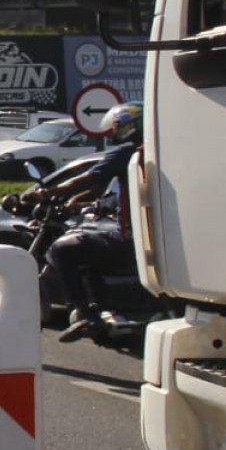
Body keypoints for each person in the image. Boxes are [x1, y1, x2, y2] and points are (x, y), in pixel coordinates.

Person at [47, 104, 143, 342]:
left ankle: (85, 314)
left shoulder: (127, 152)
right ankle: (105, 306)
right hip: (152, 239)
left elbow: (88, 178)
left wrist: (45, 193)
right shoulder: (154, 152)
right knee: (90, 247)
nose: (113, 133)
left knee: (63, 249)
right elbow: (106, 188)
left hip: (132, 240)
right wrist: (82, 198)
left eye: (117, 127)